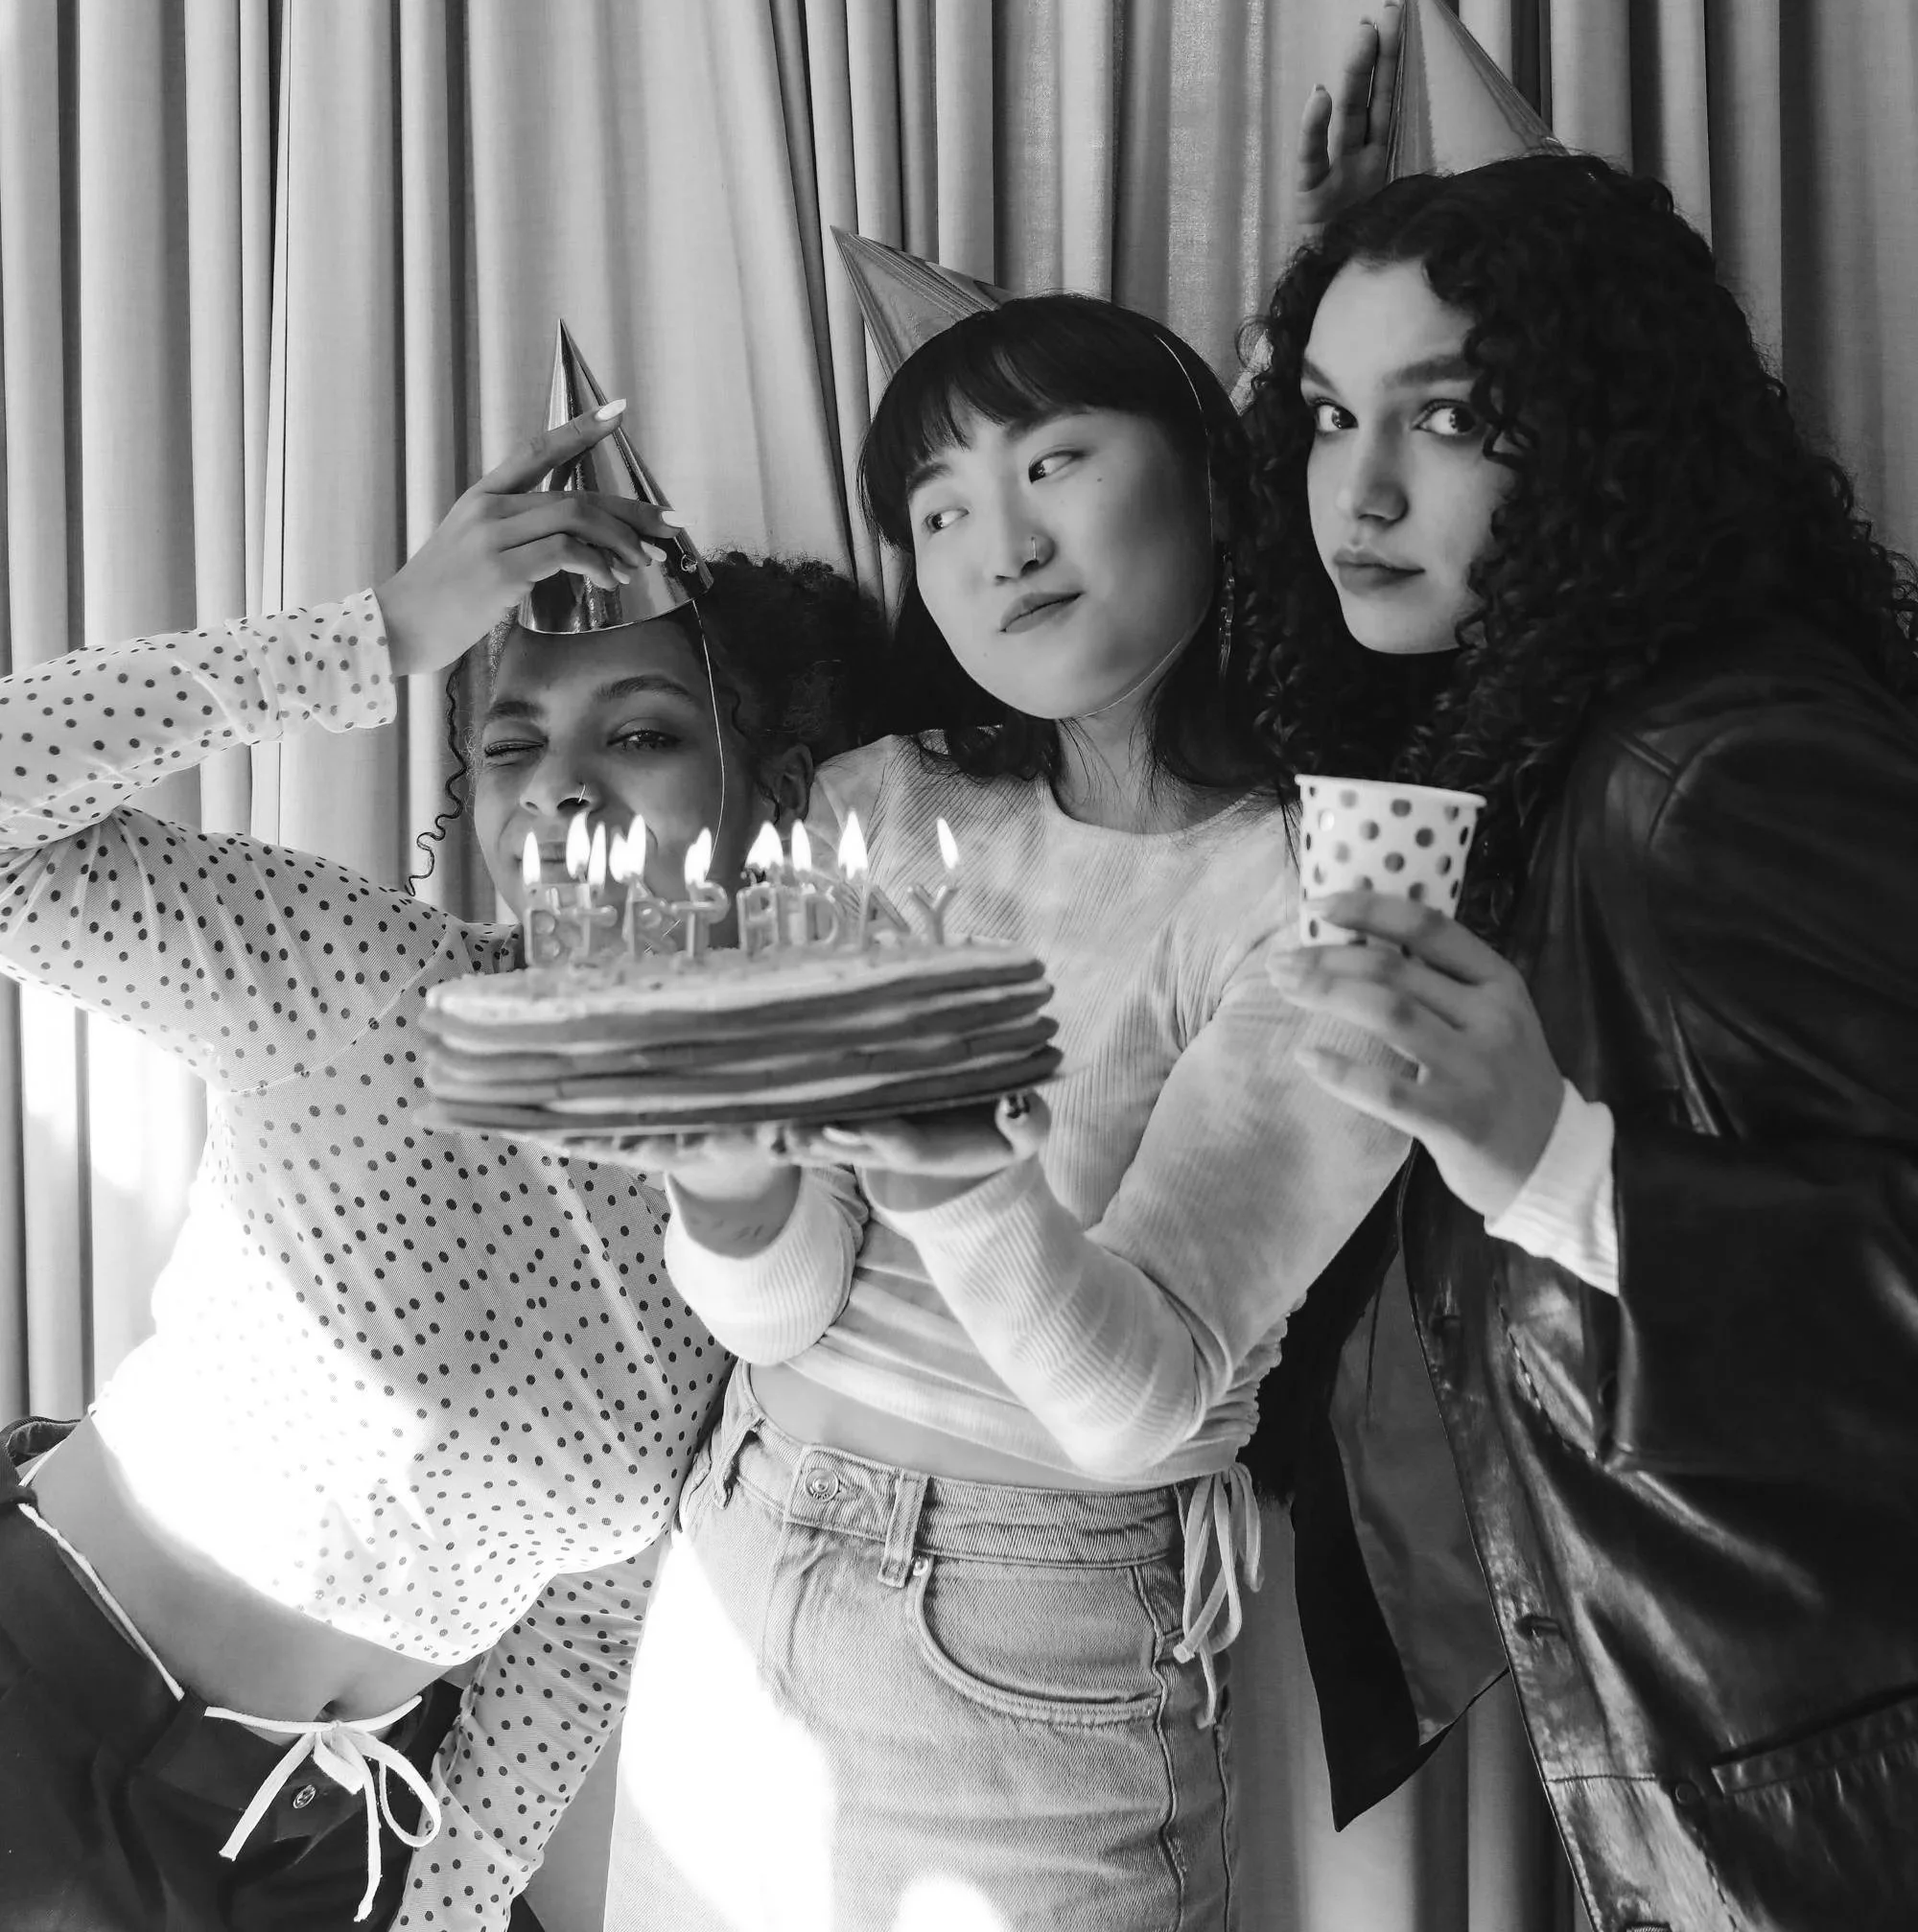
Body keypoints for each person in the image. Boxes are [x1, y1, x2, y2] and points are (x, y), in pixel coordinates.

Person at [0, 404, 882, 1932]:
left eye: (645, 732)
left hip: (327, 1853)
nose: (559, 788)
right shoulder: (358, 976)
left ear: (781, 794)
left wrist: (451, 1906)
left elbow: (588, 1624)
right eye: (511, 740)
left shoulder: (775, 1197)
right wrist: (376, 635)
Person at [594, 289, 1408, 1932]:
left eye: (1057, 462)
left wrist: (945, 1145)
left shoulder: (1341, 888)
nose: (1001, 543)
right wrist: (728, 1188)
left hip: (1033, 1645)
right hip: (745, 1545)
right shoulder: (878, 804)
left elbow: (1133, 1407)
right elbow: (782, 1308)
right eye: (941, 508)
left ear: (1206, 480)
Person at [1238, 152, 1918, 1932]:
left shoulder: (1712, 781)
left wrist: (1563, 1169)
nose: (1359, 490)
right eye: (1325, 416)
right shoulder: (1541, 760)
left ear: (1604, 440)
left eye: (1448, 417)